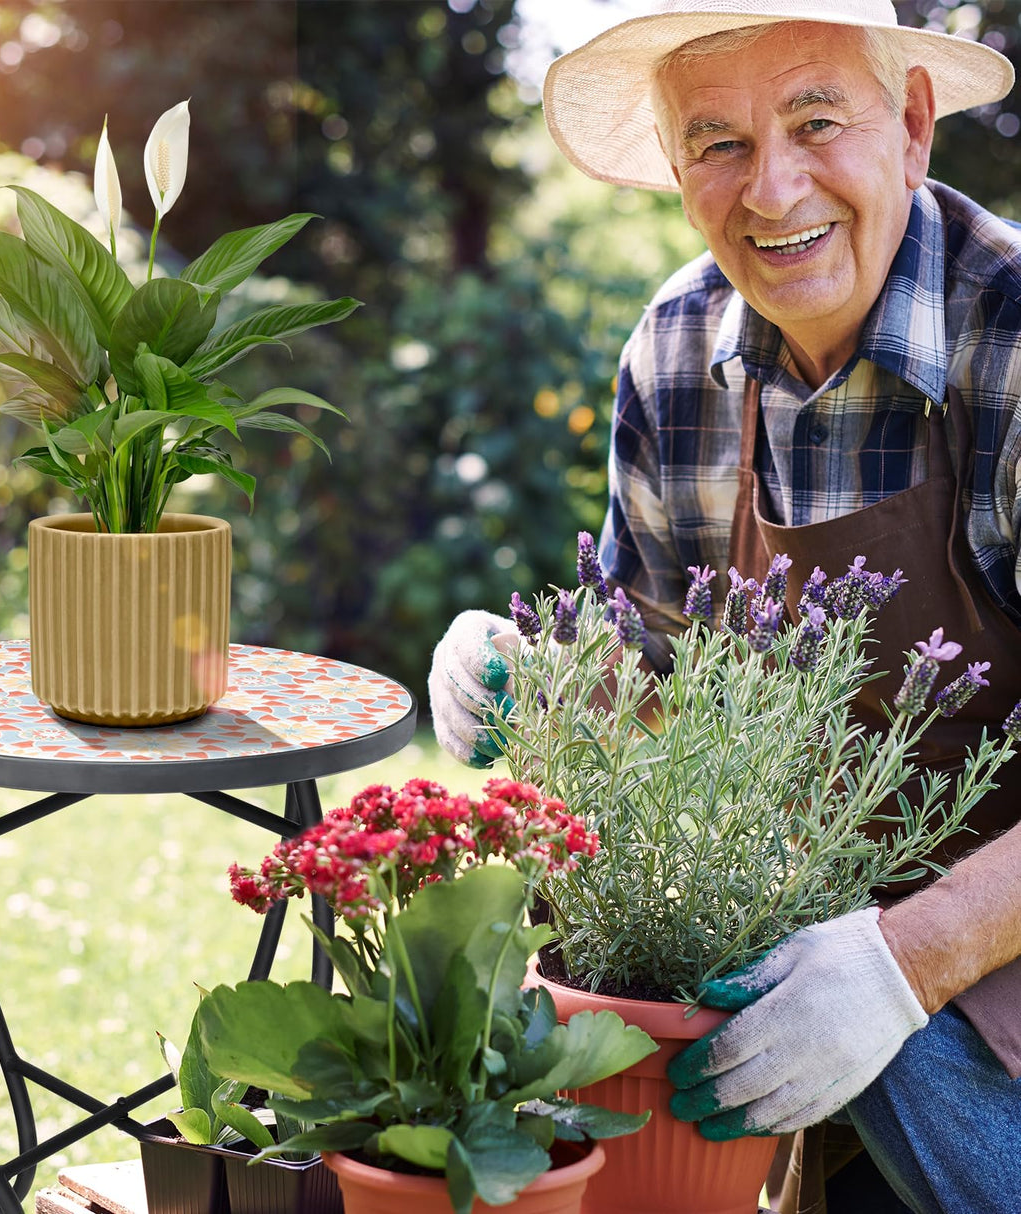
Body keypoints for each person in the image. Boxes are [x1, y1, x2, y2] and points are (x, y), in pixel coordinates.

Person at [427, 2, 1021, 1210]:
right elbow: (660, 707)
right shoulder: (675, 349)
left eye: (815, 120)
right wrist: (534, 678)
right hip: (821, 985)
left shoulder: (1008, 341)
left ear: (909, 127)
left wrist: (904, 963)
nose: (772, 189)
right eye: (718, 144)